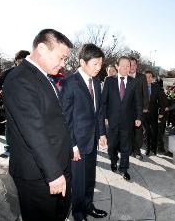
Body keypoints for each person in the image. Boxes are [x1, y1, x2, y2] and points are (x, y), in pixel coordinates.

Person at [2, 29, 73, 221]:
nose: (63, 64)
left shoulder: (43, 76)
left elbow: (56, 119)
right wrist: (54, 173)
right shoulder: (20, 79)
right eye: (61, 57)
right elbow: (33, 131)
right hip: (39, 175)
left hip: (56, 165)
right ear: (42, 48)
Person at [60, 44, 107, 221]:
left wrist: (101, 133)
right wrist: (72, 146)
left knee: (90, 179)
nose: (98, 68)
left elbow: (99, 110)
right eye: (95, 64)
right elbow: (66, 119)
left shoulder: (95, 81)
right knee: (78, 183)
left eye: (100, 64)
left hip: (92, 140)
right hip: (77, 145)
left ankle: (88, 206)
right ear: (82, 62)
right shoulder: (69, 83)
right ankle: (78, 214)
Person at [101, 56, 142, 181]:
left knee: (126, 146)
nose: (125, 68)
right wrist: (105, 117)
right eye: (122, 66)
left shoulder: (134, 82)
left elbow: (138, 102)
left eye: (128, 66)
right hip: (112, 121)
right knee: (112, 145)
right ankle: (113, 160)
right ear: (117, 66)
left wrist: (139, 117)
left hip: (127, 121)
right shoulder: (109, 81)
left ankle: (124, 169)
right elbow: (104, 102)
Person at [0, 50, 30, 158]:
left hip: (29, 107)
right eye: (20, 60)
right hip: (12, 106)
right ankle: (8, 148)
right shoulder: (9, 72)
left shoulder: (34, 73)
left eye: (26, 60)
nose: (23, 63)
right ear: (16, 61)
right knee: (10, 128)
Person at [129, 57, 149, 160]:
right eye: (130, 64)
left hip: (139, 109)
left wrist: (145, 106)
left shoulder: (141, 77)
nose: (132, 66)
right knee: (128, 131)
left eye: (134, 64)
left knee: (138, 132)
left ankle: (137, 151)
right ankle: (130, 150)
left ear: (137, 65)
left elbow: (145, 93)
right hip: (127, 110)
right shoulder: (124, 76)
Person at [143, 70, 166, 156]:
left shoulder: (156, 87)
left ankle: (154, 149)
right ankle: (147, 149)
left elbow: (162, 102)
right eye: (146, 77)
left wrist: (161, 113)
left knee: (154, 132)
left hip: (154, 114)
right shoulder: (140, 87)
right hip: (144, 114)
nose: (148, 79)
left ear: (152, 78)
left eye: (150, 77)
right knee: (146, 133)